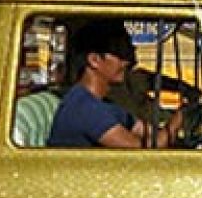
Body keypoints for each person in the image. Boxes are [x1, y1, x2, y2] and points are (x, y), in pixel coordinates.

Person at [47, 18, 183, 148]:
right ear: (94, 60)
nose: (128, 61)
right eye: (121, 52)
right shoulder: (86, 108)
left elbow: (147, 132)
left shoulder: (106, 106)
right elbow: (143, 152)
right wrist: (179, 119)